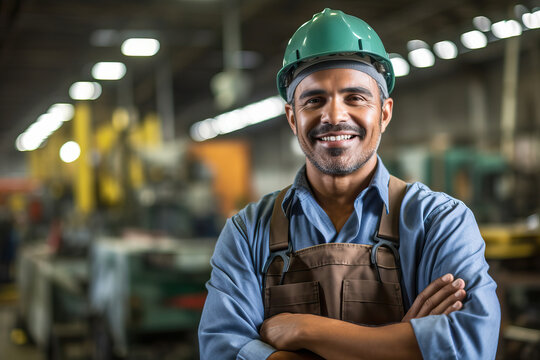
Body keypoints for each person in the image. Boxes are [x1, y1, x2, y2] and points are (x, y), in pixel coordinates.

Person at [198, 8, 500, 360]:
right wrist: (405, 342)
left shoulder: (440, 222)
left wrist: (307, 331)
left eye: (355, 97)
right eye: (314, 100)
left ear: (384, 113)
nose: (335, 116)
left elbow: (469, 346)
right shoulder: (248, 232)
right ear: (292, 118)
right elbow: (221, 349)